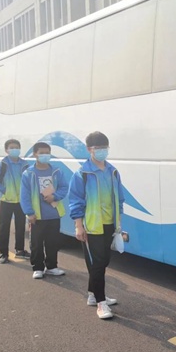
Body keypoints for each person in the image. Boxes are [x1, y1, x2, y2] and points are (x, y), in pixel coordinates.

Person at [68, 132, 124, 320]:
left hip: (109, 224)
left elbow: (119, 199)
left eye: (104, 148)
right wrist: (78, 226)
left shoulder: (113, 172)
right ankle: (101, 303)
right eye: (98, 148)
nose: (102, 151)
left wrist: (118, 223)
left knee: (103, 261)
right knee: (97, 264)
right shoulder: (82, 174)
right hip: (92, 226)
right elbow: (75, 201)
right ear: (89, 149)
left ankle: (93, 294)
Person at [20, 142, 68, 279]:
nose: (45, 155)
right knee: (36, 243)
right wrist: (29, 212)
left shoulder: (56, 171)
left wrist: (55, 196)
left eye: (47, 153)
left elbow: (64, 187)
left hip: (54, 214)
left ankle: (52, 267)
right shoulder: (28, 173)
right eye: (41, 153)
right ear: (35, 154)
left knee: (52, 243)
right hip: (37, 216)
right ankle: (38, 268)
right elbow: (24, 195)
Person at [0, 139, 31, 264]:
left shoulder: (25, 164)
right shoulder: (2, 165)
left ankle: (20, 250)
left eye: (17, 147)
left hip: (21, 202)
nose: (15, 149)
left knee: (20, 227)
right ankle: (3, 254)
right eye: (12, 147)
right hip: (6, 201)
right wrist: (3, 189)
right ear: (6, 150)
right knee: (4, 228)